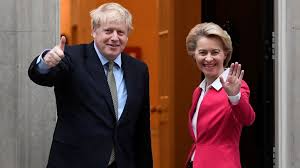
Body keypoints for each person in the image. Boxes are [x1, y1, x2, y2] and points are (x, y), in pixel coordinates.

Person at [28, 3, 153, 168]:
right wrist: (45, 62)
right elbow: (42, 76)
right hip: (75, 162)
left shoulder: (138, 70)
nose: (115, 37)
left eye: (121, 32)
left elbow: (141, 129)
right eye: (108, 31)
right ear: (94, 31)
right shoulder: (72, 58)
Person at [184, 22, 256, 168]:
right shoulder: (199, 91)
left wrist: (235, 97)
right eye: (203, 52)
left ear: (225, 54)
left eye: (215, 52)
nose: (208, 58)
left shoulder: (235, 85)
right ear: (194, 55)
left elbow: (248, 118)